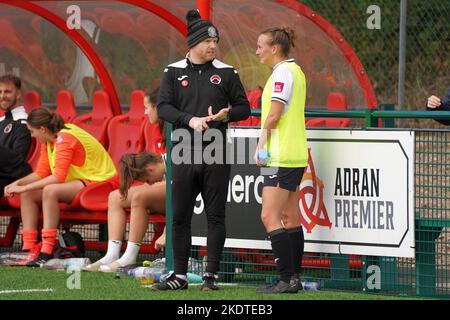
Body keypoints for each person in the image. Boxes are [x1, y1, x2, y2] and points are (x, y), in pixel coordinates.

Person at [154, 9, 250, 291]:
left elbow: (244, 108)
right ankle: (180, 276)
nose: (213, 46)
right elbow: (163, 108)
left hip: (216, 152)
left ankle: (211, 276)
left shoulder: (227, 72)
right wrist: (190, 120)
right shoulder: (172, 72)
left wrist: (225, 116)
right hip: (183, 151)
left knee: (215, 216)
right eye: (208, 41)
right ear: (193, 43)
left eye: (215, 41)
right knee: (180, 215)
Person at [4, 108, 117, 267]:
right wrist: (18, 184)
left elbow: (58, 178)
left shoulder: (65, 138)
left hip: (99, 181)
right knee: (28, 194)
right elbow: (42, 173)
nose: (31, 135)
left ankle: (46, 251)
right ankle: (28, 249)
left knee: (51, 190)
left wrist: (24, 187)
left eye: (32, 131)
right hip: (80, 180)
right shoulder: (47, 139)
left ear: (42, 129)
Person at [83, 89, 167, 273]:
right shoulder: (157, 128)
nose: (145, 112)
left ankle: (129, 257)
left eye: (147, 108)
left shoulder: (174, 126)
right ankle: (111, 255)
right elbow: (157, 165)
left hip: (178, 184)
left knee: (139, 196)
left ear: (158, 107)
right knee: (115, 196)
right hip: (167, 180)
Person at [254, 27, 307, 293]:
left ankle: (286, 279)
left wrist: (260, 145)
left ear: (275, 48)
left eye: (260, 45)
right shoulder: (295, 71)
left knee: (269, 215)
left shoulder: (283, 73)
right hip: (295, 154)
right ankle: (294, 278)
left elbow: (274, 115)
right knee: (290, 215)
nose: (257, 51)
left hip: (282, 156)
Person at [0, 75, 32, 194]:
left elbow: (18, 160)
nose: (2, 96)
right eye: (0, 92)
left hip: (9, 177)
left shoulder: (23, 123)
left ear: (18, 94)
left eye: (7, 92)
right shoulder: (2, 121)